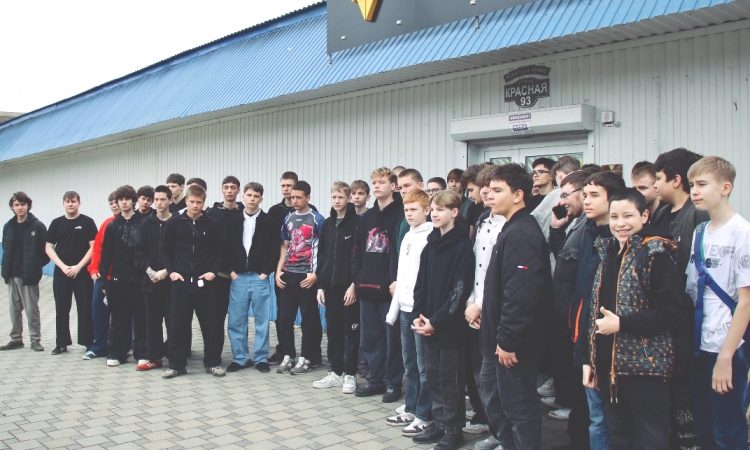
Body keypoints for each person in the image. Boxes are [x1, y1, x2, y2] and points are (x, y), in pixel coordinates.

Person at [582, 188, 683, 449]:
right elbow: (593, 313)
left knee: (650, 438)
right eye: (614, 217)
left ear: (644, 216)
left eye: (628, 216)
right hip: (608, 367)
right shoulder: (607, 252)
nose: (620, 223)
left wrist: (622, 324)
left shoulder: (655, 254)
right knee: (618, 437)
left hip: (646, 368)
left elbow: (670, 313)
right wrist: (589, 360)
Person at [478, 164, 551, 450]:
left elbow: (522, 294)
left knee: (519, 407)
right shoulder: (511, 227)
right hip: (497, 339)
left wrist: (508, 339)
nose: (490, 196)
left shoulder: (523, 232)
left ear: (518, 195)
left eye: (498, 190)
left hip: (513, 345)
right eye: (489, 190)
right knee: (495, 400)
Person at [685, 156, 750, 449]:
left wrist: (726, 357)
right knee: (705, 428)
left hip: (728, 345)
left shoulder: (742, 232)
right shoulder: (700, 232)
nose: (694, 191)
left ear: (725, 188)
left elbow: (746, 301)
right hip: (700, 342)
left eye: (702, 184)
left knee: (728, 430)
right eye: (691, 185)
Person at [411, 190, 475, 449]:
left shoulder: (462, 247)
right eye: (433, 209)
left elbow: (459, 292)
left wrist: (436, 322)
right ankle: (438, 423)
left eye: (441, 209)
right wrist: (419, 315)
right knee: (433, 377)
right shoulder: (431, 245)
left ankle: (453, 429)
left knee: (451, 380)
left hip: (449, 327)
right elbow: (420, 283)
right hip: (428, 323)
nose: (435, 214)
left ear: (454, 212)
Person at [573, 170, 626, 450]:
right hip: (587, 340)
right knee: (596, 418)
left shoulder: (620, 242)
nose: (586, 201)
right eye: (584, 195)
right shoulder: (588, 233)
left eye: (594, 195)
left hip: (613, 344)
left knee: (610, 420)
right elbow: (583, 294)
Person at [161, 184, 225, 378]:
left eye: (199, 202)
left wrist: (213, 272)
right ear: (186, 201)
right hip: (180, 281)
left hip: (205, 283)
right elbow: (165, 250)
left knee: (210, 325)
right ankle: (176, 365)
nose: (195, 205)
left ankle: (213, 363)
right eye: (192, 202)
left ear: (204, 203)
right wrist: (172, 272)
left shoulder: (212, 224)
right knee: (178, 326)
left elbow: (219, 252)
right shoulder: (174, 223)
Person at [352, 167, 405, 402]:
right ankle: (375, 380)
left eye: (381, 182)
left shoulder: (401, 215)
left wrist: (395, 281)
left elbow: (401, 253)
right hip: (367, 287)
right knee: (371, 338)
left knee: (392, 340)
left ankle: (393, 383)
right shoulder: (367, 218)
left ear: (393, 186)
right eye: (374, 182)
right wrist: (357, 279)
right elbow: (357, 250)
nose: (376, 186)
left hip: (390, 290)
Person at [463, 168, 506, 449]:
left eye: (494, 188)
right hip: (476, 309)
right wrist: (471, 301)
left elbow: (500, 276)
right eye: (483, 188)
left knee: (499, 383)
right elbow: (477, 267)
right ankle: (496, 429)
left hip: (495, 313)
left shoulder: (511, 226)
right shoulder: (482, 219)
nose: (486, 192)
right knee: (483, 379)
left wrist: (481, 306)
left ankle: (506, 436)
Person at [385, 189, 434, 436]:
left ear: (427, 210)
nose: (409, 214)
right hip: (404, 307)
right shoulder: (407, 236)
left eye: (414, 209)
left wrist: (422, 308)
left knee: (424, 367)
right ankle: (412, 406)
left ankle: (426, 414)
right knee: (410, 364)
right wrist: (395, 308)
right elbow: (401, 274)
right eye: (406, 209)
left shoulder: (430, 236)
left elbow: (425, 277)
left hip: (419, 309)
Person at [226, 182, 278, 374]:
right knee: (236, 320)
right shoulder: (233, 221)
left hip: (259, 278)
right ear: (243, 197)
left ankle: (260, 358)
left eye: (256, 196)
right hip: (238, 278)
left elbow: (274, 250)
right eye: (249, 195)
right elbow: (225, 248)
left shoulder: (269, 221)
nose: (252, 199)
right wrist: (232, 272)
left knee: (262, 320)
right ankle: (240, 358)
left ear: (261, 199)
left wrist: (265, 272)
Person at [313, 182, 360, 393]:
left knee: (351, 333)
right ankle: (336, 372)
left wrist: (354, 285)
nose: (337, 201)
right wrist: (320, 285)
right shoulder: (328, 224)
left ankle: (350, 374)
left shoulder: (358, 223)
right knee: (333, 332)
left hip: (348, 289)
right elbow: (322, 256)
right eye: (334, 197)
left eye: (341, 197)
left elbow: (359, 257)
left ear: (348, 198)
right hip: (330, 288)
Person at [275, 180, 325, 375]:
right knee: (284, 318)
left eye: (298, 197)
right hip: (288, 274)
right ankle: (288, 355)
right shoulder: (288, 218)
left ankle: (307, 357)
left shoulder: (317, 219)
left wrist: (315, 274)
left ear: (308, 197)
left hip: (307, 276)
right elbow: (284, 246)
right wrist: (279, 270)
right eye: (292, 197)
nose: (294, 200)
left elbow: (323, 250)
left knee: (308, 319)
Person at [99, 185, 146, 367]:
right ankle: (118, 352)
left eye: (127, 199)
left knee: (141, 317)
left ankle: (142, 352)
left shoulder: (143, 222)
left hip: (139, 278)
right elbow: (106, 254)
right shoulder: (112, 226)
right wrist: (104, 279)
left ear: (133, 201)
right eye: (121, 199)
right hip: (118, 279)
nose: (124, 202)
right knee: (119, 317)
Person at [46, 191, 97, 355]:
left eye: (73, 201)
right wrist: (62, 266)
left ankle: (87, 342)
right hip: (62, 273)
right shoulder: (56, 223)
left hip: (82, 273)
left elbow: (93, 247)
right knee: (62, 309)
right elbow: (48, 247)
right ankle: (61, 343)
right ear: (63, 203)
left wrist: (79, 267)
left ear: (79, 203)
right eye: (67, 201)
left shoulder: (87, 222)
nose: (70, 204)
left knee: (85, 308)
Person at [1, 192, 49, 352]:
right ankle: (16, 339)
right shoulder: (8, 226)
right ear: (12, 207)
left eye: (23, 204)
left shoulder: (37, 226)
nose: (20, 207)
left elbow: (46, 251)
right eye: (16, 205)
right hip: (11, 274)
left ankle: (35, 340)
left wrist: (35, 266)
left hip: (28, 276)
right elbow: (6, 248)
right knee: (13, 309)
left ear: (28, 205)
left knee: (31, 309)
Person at [133, 185, 173, 371]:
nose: (158, 203)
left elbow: (181, 253)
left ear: (170, 200)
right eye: (156, 200)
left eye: (162, 199)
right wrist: (150, 272)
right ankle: (154, 357)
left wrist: (166, 271)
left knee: (174, 322)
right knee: (152, 323)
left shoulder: (177, 223)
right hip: (150, 283)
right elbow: (138, 252)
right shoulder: (146, 224)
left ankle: (175, 358)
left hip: (172, 282)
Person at [652, 147, 708, 274]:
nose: (654, 185)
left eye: (658, 178)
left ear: (676, 180)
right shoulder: (661, 212)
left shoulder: (699, 213)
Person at [206, 176, 242, 361]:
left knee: (239, 319)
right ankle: (214, 359)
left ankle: (241, 357)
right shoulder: (211, 214)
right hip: (218, 275)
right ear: (221, 189)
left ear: (238, 190)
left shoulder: (244, 213)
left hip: (241, 275)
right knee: (215, 318)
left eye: (233, 187)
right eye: (226, 187)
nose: (229, 190)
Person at [85, 191, 119, 360]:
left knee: (123, 316)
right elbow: (97, 248)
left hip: (122, 278)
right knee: (98, 312)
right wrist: (93, 270)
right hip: (102, 277)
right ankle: (99, 346)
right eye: (111, 203)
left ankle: (123, 346)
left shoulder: (133, 223)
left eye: (116, 202)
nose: (114, 205)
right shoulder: (106, 223)